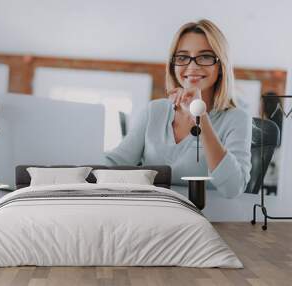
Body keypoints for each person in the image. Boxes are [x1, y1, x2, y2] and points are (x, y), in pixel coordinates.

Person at [105, 19, 252, 199]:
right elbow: (115, 163)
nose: (192, 66)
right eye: (182, 57)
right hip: (154, 214)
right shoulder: (154, 111)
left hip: (207, 219)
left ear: (220, 65)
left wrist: (200, 115)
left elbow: (233, 188)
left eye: (205, 56)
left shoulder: (236, 118)